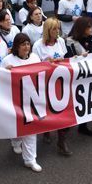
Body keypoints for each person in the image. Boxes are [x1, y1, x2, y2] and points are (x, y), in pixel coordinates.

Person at [1, 33, 43, 172]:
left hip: (31, 99)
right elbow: (0, 79)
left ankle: (30, 159)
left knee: (31, 129)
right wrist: (5, 72)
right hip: (14, 98)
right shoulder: (8, 60)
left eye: (27, 44)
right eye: (23, 44)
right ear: (16, 46)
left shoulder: (35, 57)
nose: (26, 47)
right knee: (17, 125)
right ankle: (15, 141)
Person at [32, 18, 72, 156]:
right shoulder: (38, 45)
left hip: (61, 80)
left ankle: (62, 141)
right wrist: (48, 63)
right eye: (54, 29)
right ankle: (46, 131)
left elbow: (66, 57)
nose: (57, 32)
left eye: (58, 28)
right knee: (47, 109)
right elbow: (34, 65)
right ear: (48, 30)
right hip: (45, 82)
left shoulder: (60, 41)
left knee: (62, 110)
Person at [65, 17, 92, 137]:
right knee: (72, 101)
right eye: (89, 27)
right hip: (75, 77)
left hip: (88, 74)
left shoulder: (90, 38)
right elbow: (68, 59)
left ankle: (83, 126)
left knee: (85, 101)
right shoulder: (70, 42)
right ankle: (67, 124)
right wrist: (79, 57)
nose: (91, 29)